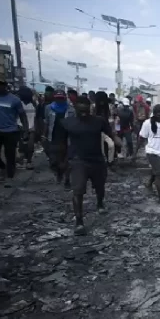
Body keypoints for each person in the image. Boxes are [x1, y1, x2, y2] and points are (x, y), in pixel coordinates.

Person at [60, 96, 122, 235]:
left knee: (100, 187)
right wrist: (62, 162)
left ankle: (100, 203)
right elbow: (62, 144)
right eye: (80, 107)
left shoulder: (98, 121)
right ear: (74, 107)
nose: (83, 111)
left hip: (97, 160)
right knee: (78, 191)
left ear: (90, 108)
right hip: (78, 161)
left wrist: (116, 140)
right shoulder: (67, 123)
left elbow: (110, 133)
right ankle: (79, 222)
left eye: (86, 108)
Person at [0, 74, 30, 187]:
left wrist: (25, 130)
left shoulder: (14, 100)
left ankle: (10, 177)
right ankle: (2, 167)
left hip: (10, 132)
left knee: (10, 155)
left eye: (0, 84)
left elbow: (23, 116)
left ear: (5, 85)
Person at [16, 86, 37, 170]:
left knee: (30, 146)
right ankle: (22, 161)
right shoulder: (18, 103)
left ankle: (29, 161)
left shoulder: (34, 104)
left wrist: (35, 127)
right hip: (20, 127)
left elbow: (36, 116)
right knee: (21, 146)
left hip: (31, 128)